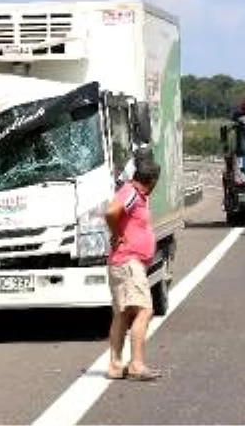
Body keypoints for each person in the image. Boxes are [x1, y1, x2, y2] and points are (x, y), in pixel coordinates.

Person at [105, 154, 162, 382]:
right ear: (152, 179)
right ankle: (136, 364)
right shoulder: (131, 193)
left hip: (124, 261)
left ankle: (115, 364)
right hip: (129, 262)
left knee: (122, 313)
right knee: (144, 310)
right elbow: (111, 212)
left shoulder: (136, 194)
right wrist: (117, 234)